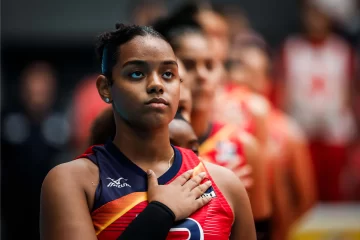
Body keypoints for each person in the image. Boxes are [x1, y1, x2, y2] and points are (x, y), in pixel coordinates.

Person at [40, 23, 256, 240]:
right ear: (106, 88)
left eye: (168, 74)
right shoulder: (72, 181)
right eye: (136, 74)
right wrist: (160, 213)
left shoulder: (225, 184)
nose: (156, 84)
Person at [153, 17, 271, 238]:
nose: (202, 75)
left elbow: (263, 230)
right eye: (188, 65)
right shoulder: (141, 145)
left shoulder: (244, 147)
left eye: (210, 65)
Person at [228, 32, 317, 240]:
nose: (240, 77)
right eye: (236, 68)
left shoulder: (287, 131)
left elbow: (306, 198)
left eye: (251, 72)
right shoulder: (219, 123)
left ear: (266, 80)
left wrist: (279, 230)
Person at [275, 0, 357, 201]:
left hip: (334, 132)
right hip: (301, 131)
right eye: (311, 14)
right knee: (304, 190)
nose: (315, 21)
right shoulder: (291, 48)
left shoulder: (342, 50)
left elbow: (349, 90)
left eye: (320, 15)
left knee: (334, 190)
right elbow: (282, 89)